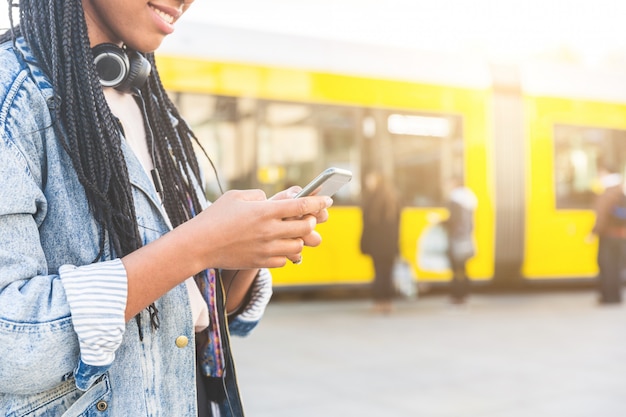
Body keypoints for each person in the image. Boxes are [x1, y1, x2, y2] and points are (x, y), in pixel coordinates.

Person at [0, 1, 333, 416]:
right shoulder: (10, 100)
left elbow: (200, 308)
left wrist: (248, 246)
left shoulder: (149, 105)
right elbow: (10, 345)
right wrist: (198, 245)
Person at [360, 171, 401, 314]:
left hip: (376, 244)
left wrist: (364, 244)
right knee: (388, 274)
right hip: (390, 245)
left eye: (370, 179)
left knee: (378, 273)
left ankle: (379, 302)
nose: (367, 182)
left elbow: (367, 225)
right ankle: (388, 303)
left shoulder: (372, 199)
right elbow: (398, 225)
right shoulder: (393, 199)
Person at [589, 164, 626, 304]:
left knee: (606, 266)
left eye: (600, 173)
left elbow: (601, 215)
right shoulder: (621, 189)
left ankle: (608, 297)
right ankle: (616, 297)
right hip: (622, 235)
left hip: (608, 236)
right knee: (616, 267)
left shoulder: (607, 192)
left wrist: (594, 232)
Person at [442, 177, 478, 305]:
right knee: (463, 269)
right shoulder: (468, 199)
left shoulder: (455, 200)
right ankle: (465, 294)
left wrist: (440, 222)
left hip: (456, 239)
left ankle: (457, 296)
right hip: (466, 238)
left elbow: (453, 221)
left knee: (456, 270)